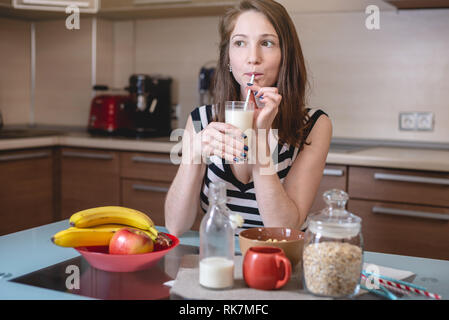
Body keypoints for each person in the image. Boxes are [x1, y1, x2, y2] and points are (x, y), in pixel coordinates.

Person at [165, 0, 332, 237]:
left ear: (285, 55)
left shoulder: (314, 126)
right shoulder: (202, 120)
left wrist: (260, 138)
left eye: (266, 43)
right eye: (240, 43)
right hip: (219, 260)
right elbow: (175, 226)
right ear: (227, 58)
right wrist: (193, 155)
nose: (253, 57)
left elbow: (283, 229)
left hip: (281, 264)